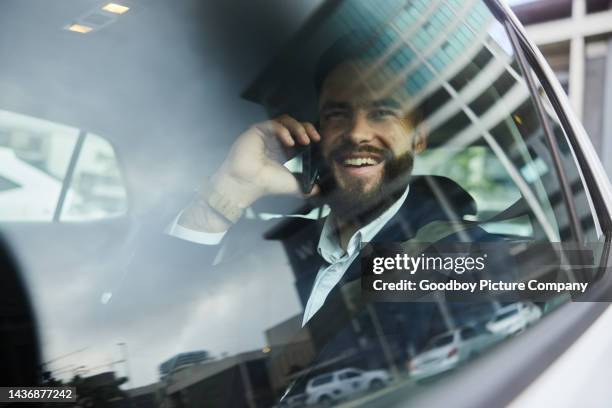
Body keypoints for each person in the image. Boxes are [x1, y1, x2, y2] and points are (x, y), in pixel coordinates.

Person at [167, 33, 496, 397]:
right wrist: (230, 187)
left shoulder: (463, 259)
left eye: (383, 112)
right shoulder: (277, 250)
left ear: (418, 136)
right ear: (318, 136)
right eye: (338, 114)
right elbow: (155, 328)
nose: (357, 132)